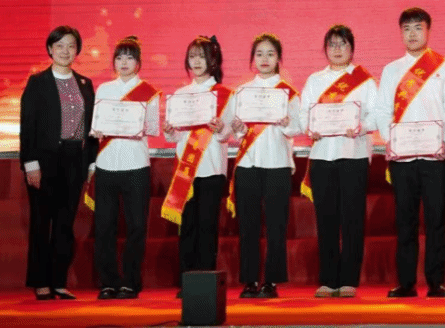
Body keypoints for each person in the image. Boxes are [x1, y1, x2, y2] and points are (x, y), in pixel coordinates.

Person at [374, 7, 445, 298]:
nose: (412, 34)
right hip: (402, 158)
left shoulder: (444, 66)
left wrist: (441, 139)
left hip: (435, 157)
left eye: (418, 27)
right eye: (407, 28)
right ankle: (406, 283)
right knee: (405, 221)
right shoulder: (391, 70)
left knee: (437, 220)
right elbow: (382, 110)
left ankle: (436, 282)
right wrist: (392, 140)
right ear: (400, 33)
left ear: (428, 31)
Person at [19, 25, 97, 300]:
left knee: (65, 223)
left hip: (74, 159)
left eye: (71, 46)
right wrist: (31, 163)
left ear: (77, 50)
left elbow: (92, 128)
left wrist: (91, 163)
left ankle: (59, 281)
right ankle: (40, 281)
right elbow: (27, 126)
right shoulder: (37, 82)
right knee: (42, 221)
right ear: (50, 49)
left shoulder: (85, 84)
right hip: (44, 160)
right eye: (60, 45)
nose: (66, 51)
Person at [299, 24, 378, 298]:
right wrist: (310, 128)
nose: (337, 49)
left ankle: (348, 280)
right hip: (322, 156)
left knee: (353, 218)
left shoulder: (364, 81)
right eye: (332, 44)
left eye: (343, 44)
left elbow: (377, 115)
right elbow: (304, 114)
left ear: (352, 48)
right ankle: (328, 279)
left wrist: (360, 126)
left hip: (353, 154)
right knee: (326, 219)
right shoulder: (315, 80)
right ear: (325, 49)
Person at [227, 33, 301, 299]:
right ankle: (249, 280)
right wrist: (237, 127)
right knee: (248, 226)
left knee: (276, 226)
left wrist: (287, 124)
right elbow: (235, 131)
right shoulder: (242, 92)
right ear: (252, 59)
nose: (265, 59)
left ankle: (271, 281)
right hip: (248, 163)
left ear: (278, 58)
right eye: (259, 54)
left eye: (270, 53)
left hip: (277, 164)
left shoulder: (288, 93)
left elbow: (298, 127)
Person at [161, 35, 235, 295]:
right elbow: (175, 137)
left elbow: (229, 135)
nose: (197, 61)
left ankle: (204, 285)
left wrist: (221, 128)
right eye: (192, 57)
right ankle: (187, 282)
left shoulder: (225, 95)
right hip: (186, 171)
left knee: (207, 227)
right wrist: (169, 131)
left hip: (211, 168)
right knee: (188, 227)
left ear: (213, 60)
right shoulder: (180, 95)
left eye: (202, 56)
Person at [89, 36, 159, 300]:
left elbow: (153, 128)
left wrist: (137, 125)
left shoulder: (149, 92)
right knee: (104, 226)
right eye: (119, 57)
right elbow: (95, 125)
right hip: (106, 164)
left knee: (137, 226)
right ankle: (108, 282)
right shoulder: (104, 89)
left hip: (136, 164)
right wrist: (97, 130)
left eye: (129, 57)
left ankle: (130, 282)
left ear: (138, 62)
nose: (124, 62)